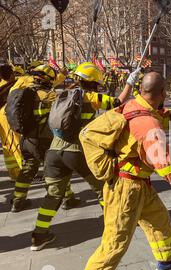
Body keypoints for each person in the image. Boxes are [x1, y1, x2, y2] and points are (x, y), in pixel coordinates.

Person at [72, 72, 171, 270]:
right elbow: (169, 170)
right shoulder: (148, 124)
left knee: (159, 219)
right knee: (114, 246)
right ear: (163, 93)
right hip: (126, 190)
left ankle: (166, 261)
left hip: (139, 185)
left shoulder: (138, 106)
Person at [30, 62, 118, 251]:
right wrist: (130, 81)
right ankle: (114, 227)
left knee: (53, 195)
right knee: (103, 188)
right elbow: (117, 104)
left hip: (54, 153)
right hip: (77, 152)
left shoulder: (60, 94)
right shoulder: (91, 96)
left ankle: (39, 236)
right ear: (93, 82)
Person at [8, 65, 77, 213]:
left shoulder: (23, 92)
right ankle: (67, 198)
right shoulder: (49, 96)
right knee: (59, 169)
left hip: (27, 140)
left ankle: (18, 201)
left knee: (27, 170)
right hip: (44, 140)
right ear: (47, 79)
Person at [0, 64, 21, 180]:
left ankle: (14, 173)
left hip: (1, 118)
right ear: (12, 74)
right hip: (7, 116)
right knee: (16, 144)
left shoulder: (1, 85)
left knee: (7, 145)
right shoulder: (14, 84)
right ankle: (24, 173)